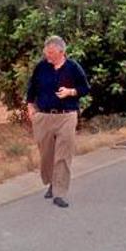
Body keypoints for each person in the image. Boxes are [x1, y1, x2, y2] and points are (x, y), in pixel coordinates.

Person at [26, 36, 91, 209]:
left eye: (51, 53)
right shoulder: (41, 67)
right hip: (44, 116)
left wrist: (71, 92)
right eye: (46, 52)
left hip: (66, 116)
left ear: (62, 52)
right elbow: (31, 88)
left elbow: (85, 88)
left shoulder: (73, 67)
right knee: (46, 154)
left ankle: (60, 192)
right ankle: (51, 183)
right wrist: (30, 107)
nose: (48, 56)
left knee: (63, 155)